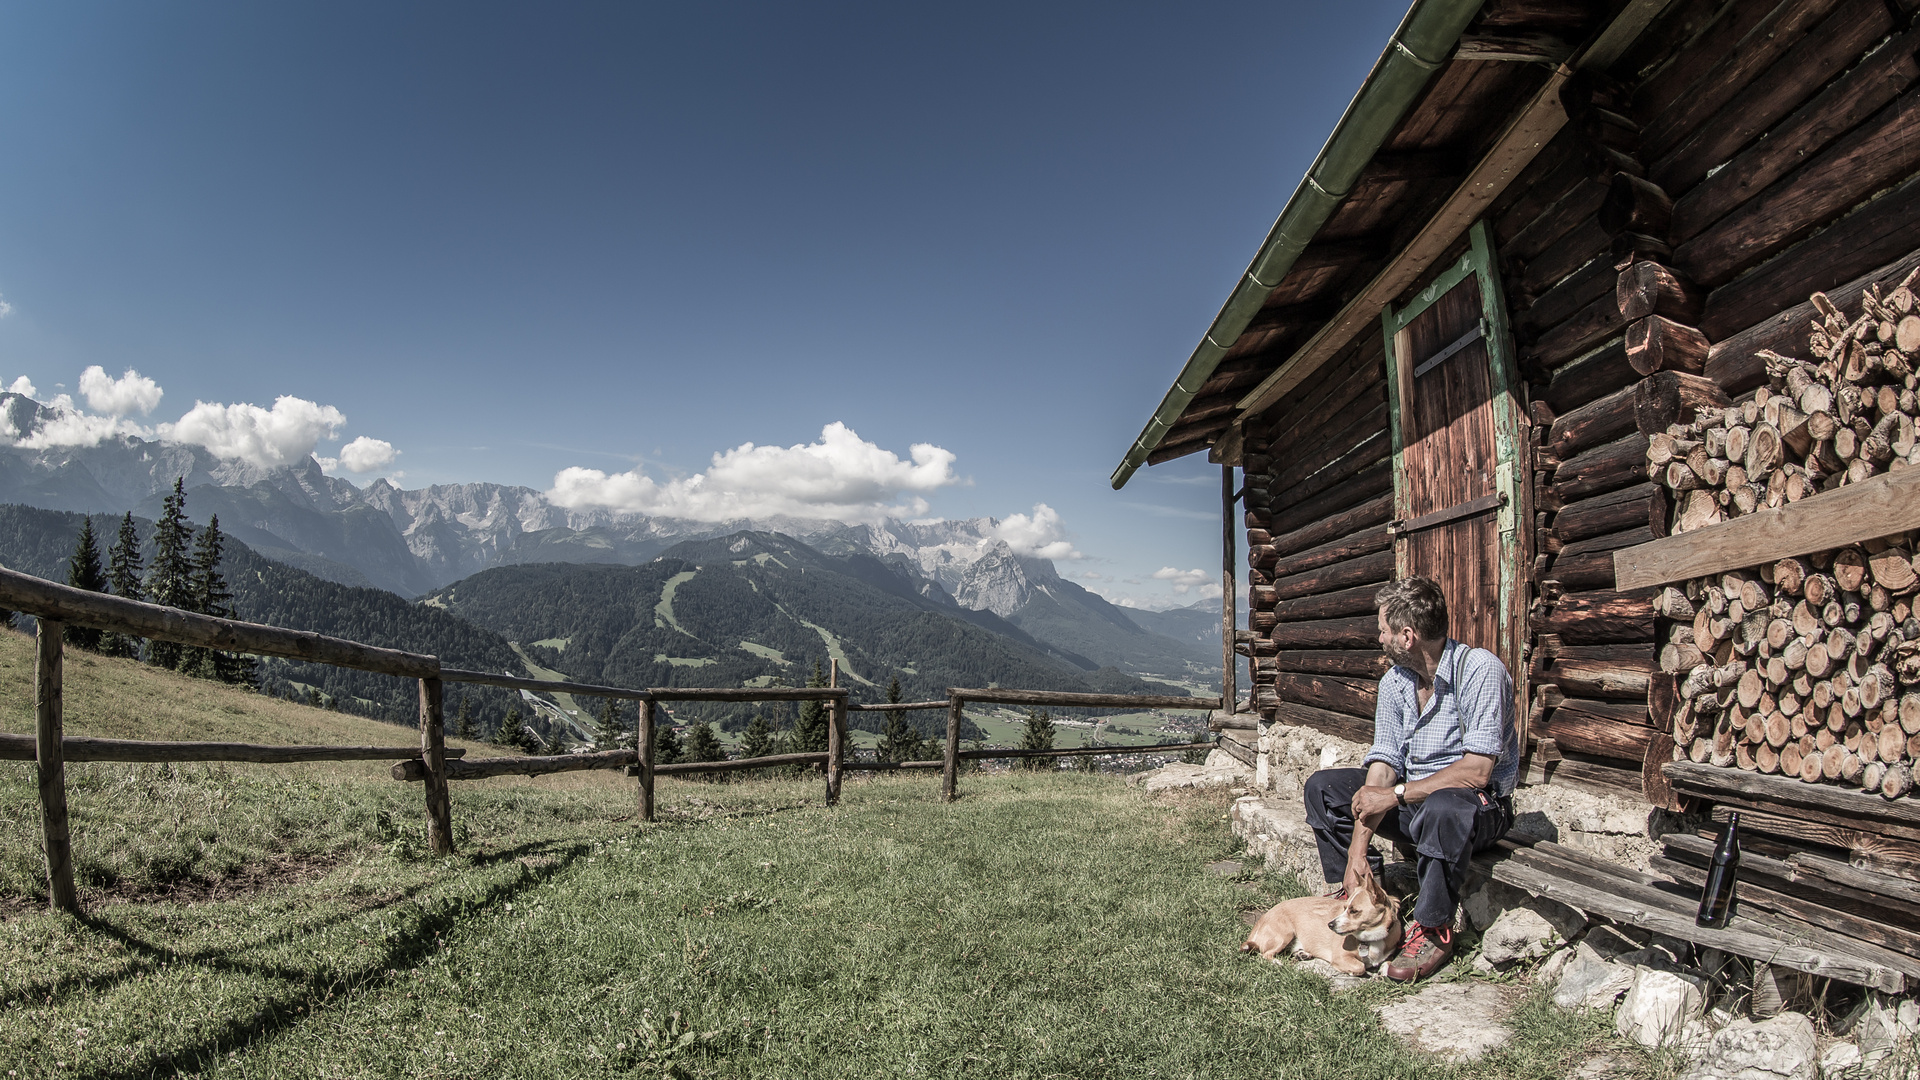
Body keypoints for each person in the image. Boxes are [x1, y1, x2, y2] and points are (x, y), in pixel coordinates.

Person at [1302, 575, 1518, 982]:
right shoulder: (1396, 682)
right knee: (1323, 788)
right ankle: (1364, 899)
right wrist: (1356, 853)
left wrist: (1396, 795)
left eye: (1382, 629)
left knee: (1443, 807)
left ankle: (1432, 926)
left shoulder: (1479, 670)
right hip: (1415, 804)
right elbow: (1382, 766)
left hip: (1478, 810)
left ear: (1407, 636)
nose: (1377, 636)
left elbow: (1477, 771)